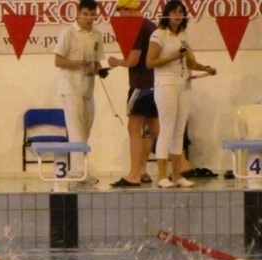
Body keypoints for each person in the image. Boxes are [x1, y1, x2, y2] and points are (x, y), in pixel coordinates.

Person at [146, 0, 216, 188]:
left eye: (180, 12)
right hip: (165, 85)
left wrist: (206, 68)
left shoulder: (183, 36)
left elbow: (190, 62)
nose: (177, 15)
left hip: (183, 85)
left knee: (179, 131)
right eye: (174, 12)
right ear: (167, 14)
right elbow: (150, 62)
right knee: (166, 130)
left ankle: (177, 175)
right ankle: (162, 176)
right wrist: (172, 57)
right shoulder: (158, 34)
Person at [54, 0, 107, 186]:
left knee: (85, 130)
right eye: (86, 14)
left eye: (93, 14)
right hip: (70, 87)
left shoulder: (97, 34)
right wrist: (79, 64)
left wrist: (101, 70)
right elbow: (58, 61)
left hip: (87, 88)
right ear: (77, 13)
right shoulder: (68, 33)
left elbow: (97, 62)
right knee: (76, 129)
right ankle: (79, 171)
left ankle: (81, 169)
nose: (90, 18)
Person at [108, 0, 159, 188]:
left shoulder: (137, 27)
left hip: (141, 85)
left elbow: (133, 60)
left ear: (127, 10)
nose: (120, 18)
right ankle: (181, 167)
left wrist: (116, 62)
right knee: (156, 130)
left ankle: (134, 174)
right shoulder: (151, 25)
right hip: (155, 85)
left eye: (121, 13)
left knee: (134, 128)